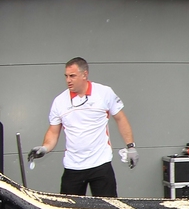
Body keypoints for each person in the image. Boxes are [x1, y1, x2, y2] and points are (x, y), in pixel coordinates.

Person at [28, 57, 136, 197]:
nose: (68, 80)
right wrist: (44, 148)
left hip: (101, 164)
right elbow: (53, 132)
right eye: (66, 76)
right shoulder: (59, 101)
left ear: (85, 74)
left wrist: (131, 147)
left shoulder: (104, 93)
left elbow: (121, 119)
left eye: (72, 76)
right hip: (73, 167)